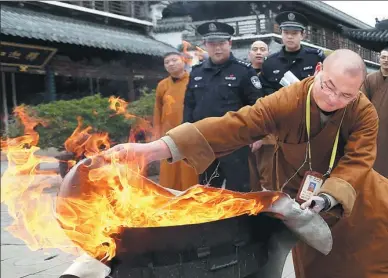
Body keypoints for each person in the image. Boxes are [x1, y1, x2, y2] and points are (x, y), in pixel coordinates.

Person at [105, 49, 388, 278]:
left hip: (356, 199)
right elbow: (238, 125)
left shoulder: (363, 112)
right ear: (317, 72)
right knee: (317, 267)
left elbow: (358, 159)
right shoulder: (288, 100)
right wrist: (155, 149)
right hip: (306, 199)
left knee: (368, 264)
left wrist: (329, 196)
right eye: (328, 87)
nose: (334, 99)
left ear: (358, 91)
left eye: (346, 95)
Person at [183, 21, 264, 192]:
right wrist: (185, 135)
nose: (217, 48)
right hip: (204, 141)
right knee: (206, 190)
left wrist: (257, 135)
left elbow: (256, 105)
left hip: (234, 140)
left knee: (238, 190)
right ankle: (210, 220)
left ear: (230, 43)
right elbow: (189, 106)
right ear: (205, 45)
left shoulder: (244, 71)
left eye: (221, 43)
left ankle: (239, 220)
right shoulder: (197, 73)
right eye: (212, 44)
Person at [153, 52, 198, 191]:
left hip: (189, 132)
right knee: (169, 169)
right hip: (168, 134)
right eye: (167, 62)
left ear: (183, 61)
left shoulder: (194, 81)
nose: (171, 64)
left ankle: (192, 200)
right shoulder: (162, 85)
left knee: (190, 169)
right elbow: (158, 110)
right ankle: (169, 201)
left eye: (174, 60)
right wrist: (157, 133)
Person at [259, 11, 325, 96]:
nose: (290, 37)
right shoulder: (269, 63)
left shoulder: (316, 58)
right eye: (286, 32)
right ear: (281, 33)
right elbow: (265, 90)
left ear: (302, 35)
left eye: (294, 33)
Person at [247, 40, 274, 191]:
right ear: (249, 54)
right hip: (246, 134)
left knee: (269, 179)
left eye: (263, 49)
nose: (259, 52)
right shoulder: (243, 74)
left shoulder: (272, 75)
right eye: (255, 49)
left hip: (269, 135)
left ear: (268, 53)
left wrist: (261, 136)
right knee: (250, 180)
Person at [361, 47, 388, 177]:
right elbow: (362, 102)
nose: (386, 60)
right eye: (383, 57)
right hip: (371, 127)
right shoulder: (370, 79)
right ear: (379, 58)